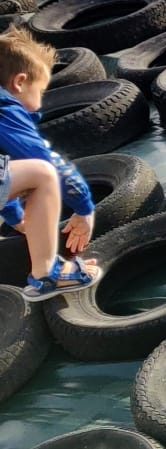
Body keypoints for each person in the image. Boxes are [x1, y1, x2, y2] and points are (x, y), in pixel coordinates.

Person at [0, 28, 100, 299]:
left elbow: (5, 168)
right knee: (42, 173)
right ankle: (48, 275)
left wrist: (14, 215)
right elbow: (47, 162)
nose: (38, 105)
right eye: (40, 91)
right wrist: (84, 208)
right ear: (19, 82)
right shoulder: (5, 107)